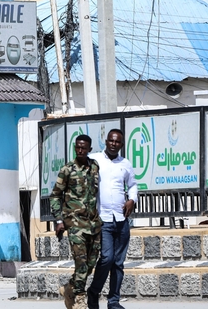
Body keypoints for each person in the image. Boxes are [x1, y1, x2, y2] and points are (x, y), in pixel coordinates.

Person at [87, 129, 138, 309]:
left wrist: (132, 199)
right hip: (104, 219)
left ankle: (114, 300)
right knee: (107, 258)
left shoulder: (125, 164)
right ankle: (93, 292)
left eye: (117, 142)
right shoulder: (94, 160)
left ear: (121, 145)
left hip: (122, 219)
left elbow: (132, 185)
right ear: (106, 141)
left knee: (118, 262)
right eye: (111, 141)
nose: (113, 144)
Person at [50, 135, 101, 309]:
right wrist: (59, 220)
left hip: (93, 224)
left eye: (84, 148)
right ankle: (79, 299)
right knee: (81, 262)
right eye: (78, 147)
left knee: (90, 264)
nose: (80, 150)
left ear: (89, 149)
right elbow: (56, 195)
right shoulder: (67, 170)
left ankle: (69, 287)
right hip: (75, 224)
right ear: (75, 147)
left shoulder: (95, 167)